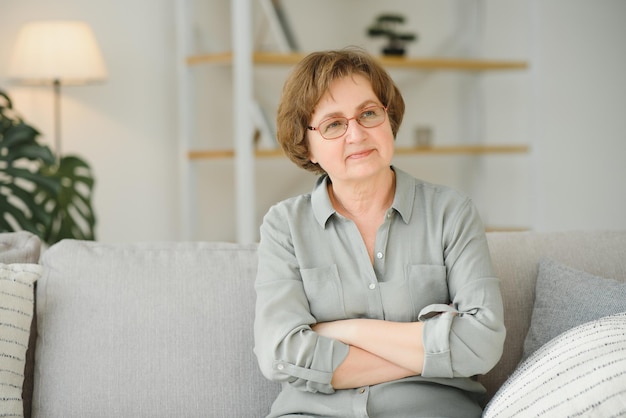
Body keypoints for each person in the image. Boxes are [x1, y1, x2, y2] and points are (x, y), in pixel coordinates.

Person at [253, 47, 505, 418]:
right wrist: (434, 354)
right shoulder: (284, 226)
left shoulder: (452, 213)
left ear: (389, 120)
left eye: (368, 113)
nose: (356, 134)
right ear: (307, 145)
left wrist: (347, 330)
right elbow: (279, 355)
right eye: (333, 124)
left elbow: (482, 343)